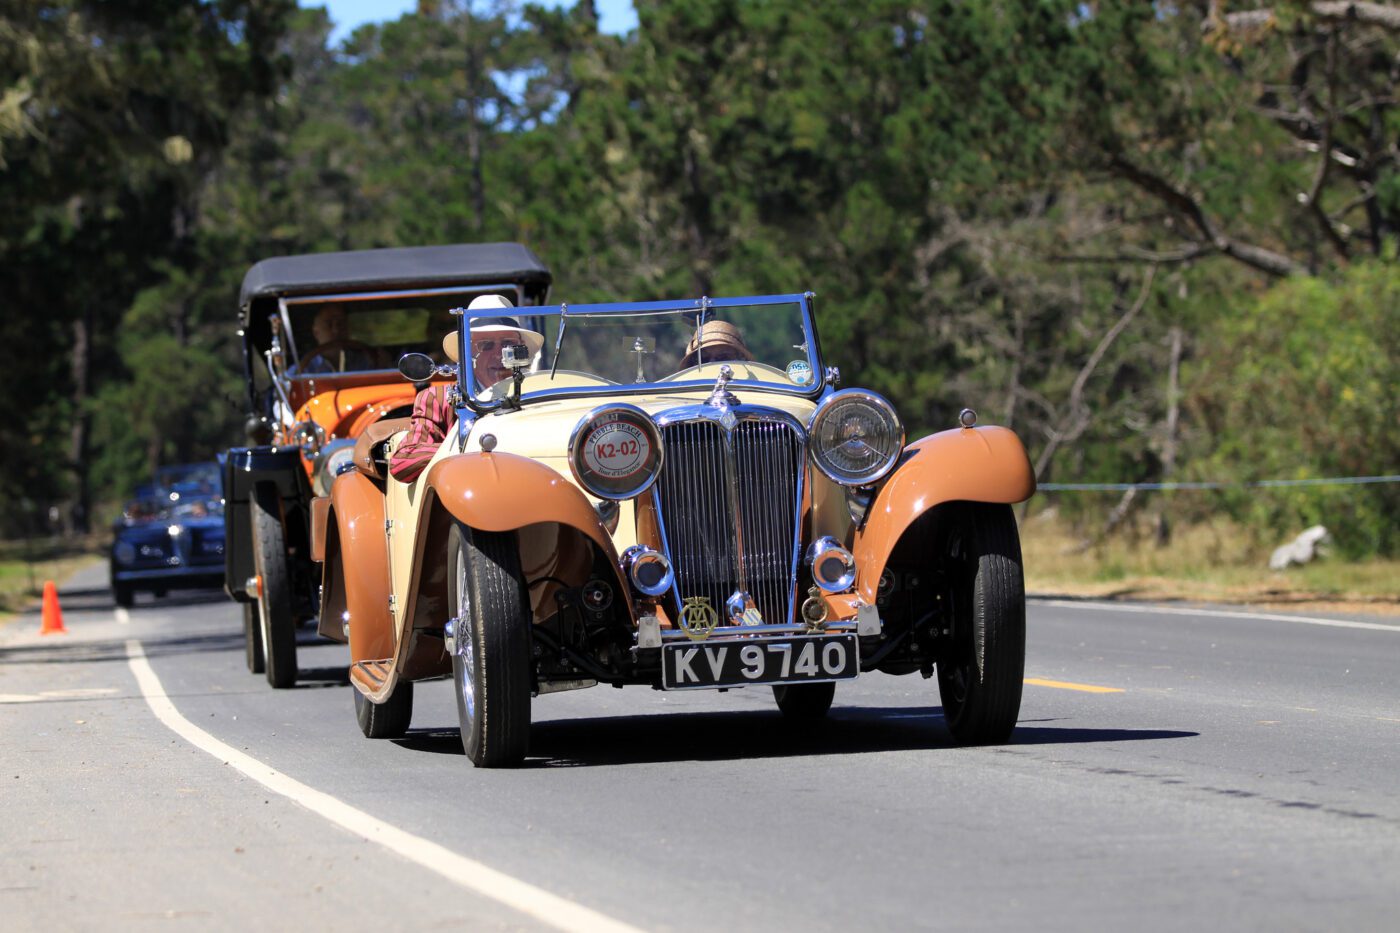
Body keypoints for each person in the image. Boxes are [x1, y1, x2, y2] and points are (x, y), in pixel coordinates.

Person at [388, 294, 544, 482]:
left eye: (507, 344)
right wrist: (476, 448)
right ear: (468, 354)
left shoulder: (542, 393)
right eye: (486, 345)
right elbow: (404, 460)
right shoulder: (440, 398)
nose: (499, 354)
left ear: (521, 350)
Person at [298, 303, 379, 373]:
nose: (336, 330)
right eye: (329, 324)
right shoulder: (303, 370)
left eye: (341, 323)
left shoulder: (366, 361)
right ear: (316, 332)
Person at [678, 319, 753, 370]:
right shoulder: (681, 392)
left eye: (723, 358)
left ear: (740, 359)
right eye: (703, 359)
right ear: (693, 364)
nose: (712, 363)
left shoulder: (755, 391)